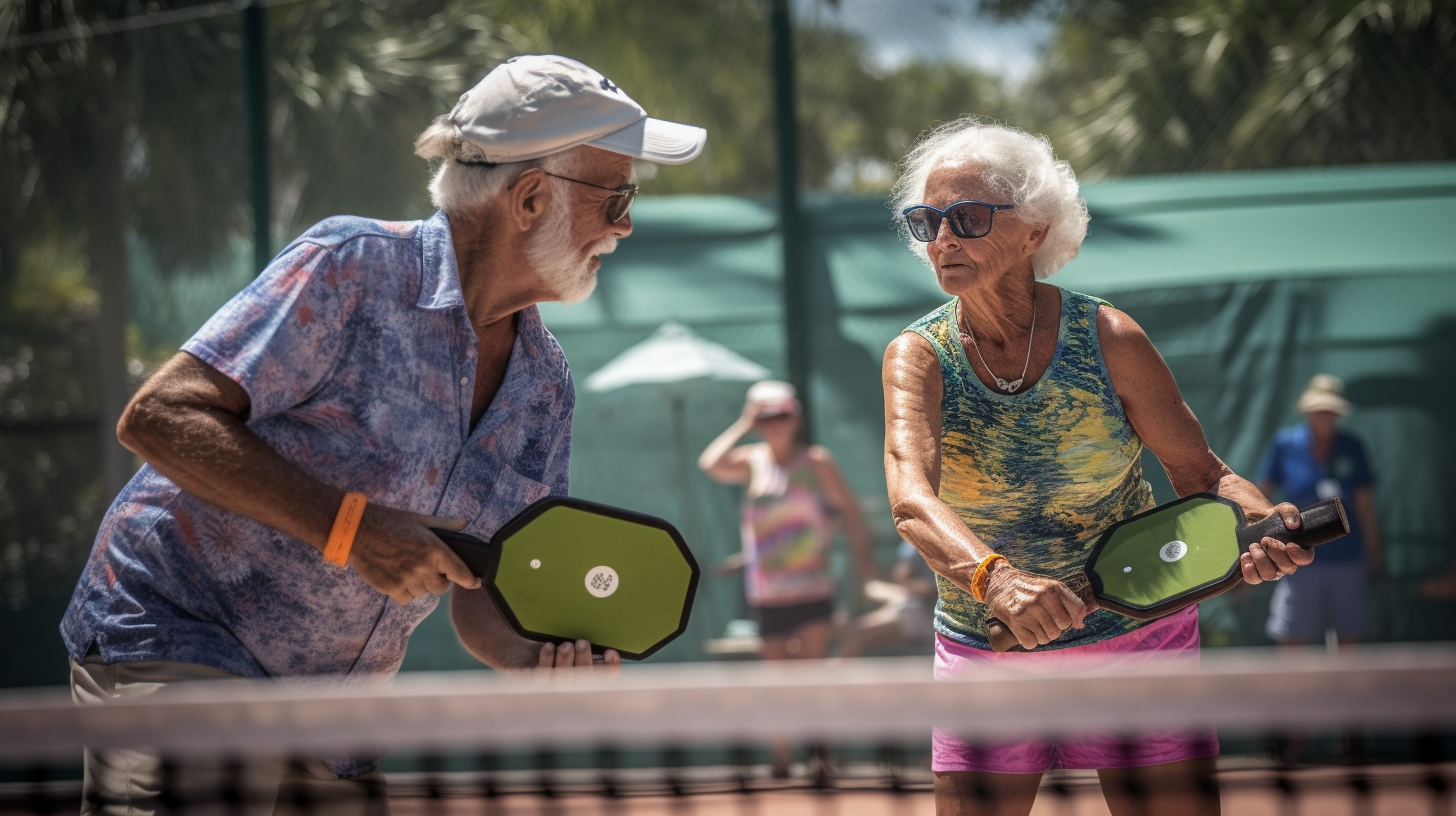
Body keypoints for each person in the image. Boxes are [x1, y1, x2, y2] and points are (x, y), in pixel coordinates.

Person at [59, 54, 705, 816]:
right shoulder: (351, 269)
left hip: (337, 716)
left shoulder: (545, 383)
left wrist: (532, 657)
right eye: (617, 196)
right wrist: (351, 530)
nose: (624, 224)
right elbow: (161, 418)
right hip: (179, 637)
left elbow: (488, 585)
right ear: (531, 197)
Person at [880, 118, 1312, 816]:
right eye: (928, 221)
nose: (944, 238)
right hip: (986, 650)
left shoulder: (1109, 336)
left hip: (1140, 642)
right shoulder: (918, 356)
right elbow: (909, 498)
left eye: (967, 216)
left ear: (1034, 230)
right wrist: (1000, 582)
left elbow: (1202, 475)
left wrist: (1258, 522)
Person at [1260, 374, 1383, 647]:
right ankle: (1292, 691)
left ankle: (1346, 692)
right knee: (1295, 637)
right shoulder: (1285, 444)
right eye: (1319, 410)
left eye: (1330, 411)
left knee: (1349, 639)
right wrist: (1263, 543)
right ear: (1308, 411)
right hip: (1297, 558)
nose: (1325, 416)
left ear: (1338, 413)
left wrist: (1375, 553)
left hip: (1347, 557)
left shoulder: (1353, 447)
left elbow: (1364, 504)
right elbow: (1263, 495)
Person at [836, 539, 937, 658]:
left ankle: (830, 675)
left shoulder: (923, 537)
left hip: (928, 615)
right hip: (913, 606)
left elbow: (903, 576)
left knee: (856, 636)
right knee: (871, 591)